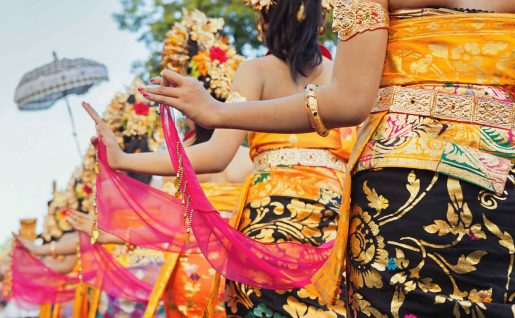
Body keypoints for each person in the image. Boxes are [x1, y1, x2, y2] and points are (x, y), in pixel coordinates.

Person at [139, 0, 515, 316]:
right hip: (501, 177)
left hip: (400, 185)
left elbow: (349, 102)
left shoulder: (255, 71)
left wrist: (216, 111)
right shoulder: (321, 67)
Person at [83, 1, 356, 316]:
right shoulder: (345, 80)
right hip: (334, 221)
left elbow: (214, 154)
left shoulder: (255, 72)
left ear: (263, 21)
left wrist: (124, 159)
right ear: (322, 18)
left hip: (266, 223)